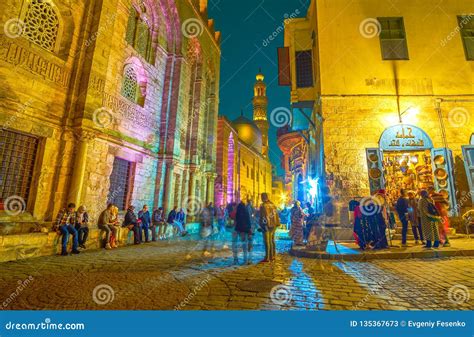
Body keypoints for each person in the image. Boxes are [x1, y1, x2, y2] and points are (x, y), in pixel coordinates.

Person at [259, 193, 280, 262]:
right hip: (273, 225)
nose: (261, 198)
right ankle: (273, 256)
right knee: (272, 240)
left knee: (266, 241)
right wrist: (276, 223)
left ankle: (267, 257)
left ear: (263, 197)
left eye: (261, 197)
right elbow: (276, 215)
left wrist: (262, 225)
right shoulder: (273, 205)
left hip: (266, 225)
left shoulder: (263, 206)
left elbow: (263, 217)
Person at [233, 200, 252, 264]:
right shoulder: (246, 211)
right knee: (244, 245)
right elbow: (248, 220)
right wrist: (249, 229)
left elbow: (236, 220)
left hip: (238, 229)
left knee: (235, 244)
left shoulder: (238, 211)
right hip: (244, 230)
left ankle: (235, 260)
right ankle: (245, 260)